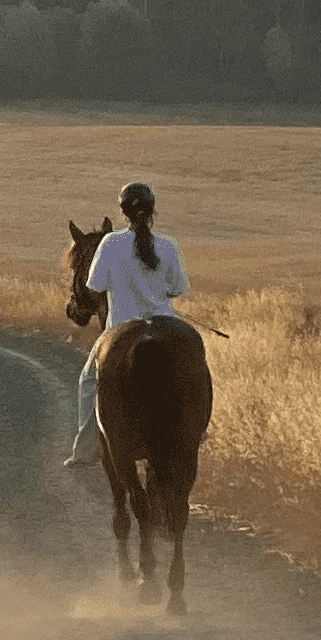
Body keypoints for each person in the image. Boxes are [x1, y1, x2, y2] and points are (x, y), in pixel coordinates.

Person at [66, 180, 187, 468]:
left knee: (87, 383)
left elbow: (93, 286)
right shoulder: (169, 245)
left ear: (123, 213)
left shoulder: (110, 243)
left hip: (121, 326)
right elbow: (177, 288)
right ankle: (196, 429)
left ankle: (84, 453)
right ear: (152, 210)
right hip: (165, 324)